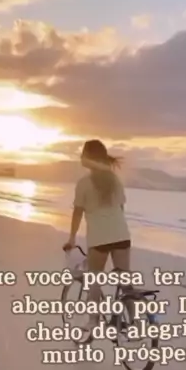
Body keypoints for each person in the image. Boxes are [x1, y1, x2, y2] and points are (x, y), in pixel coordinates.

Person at [63, 139, 131, 330]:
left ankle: (93, 321)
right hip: (122, 235)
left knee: (94, 279)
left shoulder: (84, 183)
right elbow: (121, 208)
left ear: (88, 157)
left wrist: (72, 238)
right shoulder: (115, 180)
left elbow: (78, 212)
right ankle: (132, 320)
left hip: (99, 238)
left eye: (83, 154)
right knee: (125, 282)